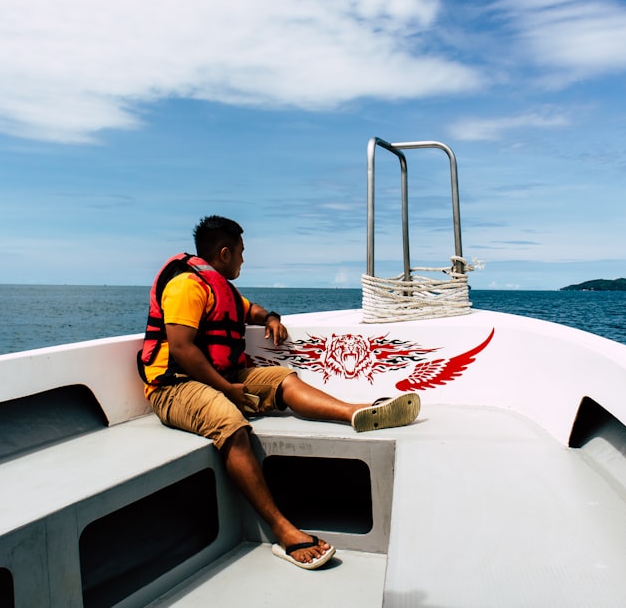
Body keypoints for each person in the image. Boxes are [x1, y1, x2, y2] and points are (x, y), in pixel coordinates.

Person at [137, 215, 420, 570]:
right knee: (232, 425)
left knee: (283, 378)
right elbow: (181, 349)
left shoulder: (219, 285)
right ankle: (282, 530)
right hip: (174, 386)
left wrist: (270, 317)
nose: (244, 259)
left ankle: (355, 413)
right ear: (224, 253)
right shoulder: (186, 287)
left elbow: (248, 311)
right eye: (240, 252)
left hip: (223, 376)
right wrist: (228, 390)